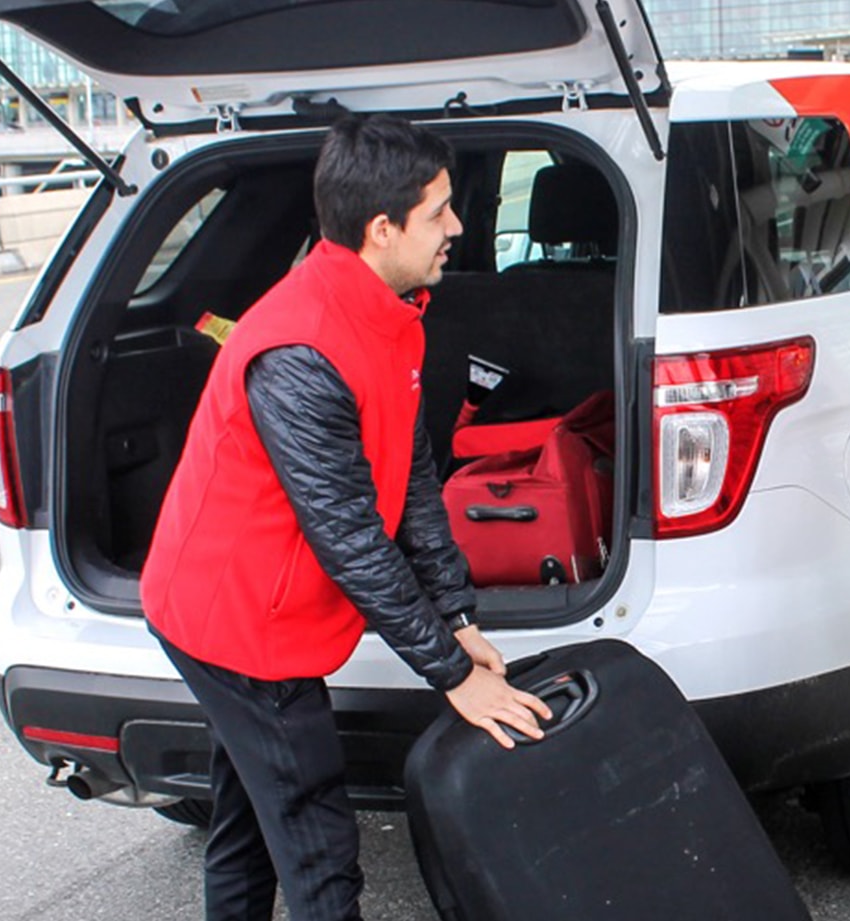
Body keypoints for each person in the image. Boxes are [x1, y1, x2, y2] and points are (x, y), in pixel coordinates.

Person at [140, 113, 553, 921]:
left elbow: (415, 476)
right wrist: (453, 674)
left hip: (259, 605)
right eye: (440, 211)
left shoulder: (387, 306)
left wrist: (457, 613)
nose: (458, 228)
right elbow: (353, 541)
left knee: (249, 824)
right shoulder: (302, 349)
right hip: (236, 621)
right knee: (318, 844)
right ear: (380, 228)